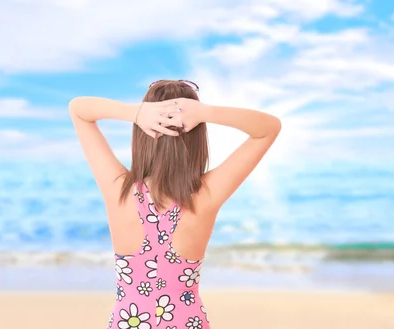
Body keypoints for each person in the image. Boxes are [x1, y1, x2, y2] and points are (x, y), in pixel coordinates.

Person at [69, 79, 281, 329]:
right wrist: (206, 113)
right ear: (198, 135)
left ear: (141, 134)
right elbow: (269, 128)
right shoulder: (204, 195)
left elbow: (79, 109)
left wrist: (135, 113)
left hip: (128, 321)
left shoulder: (119, 190)